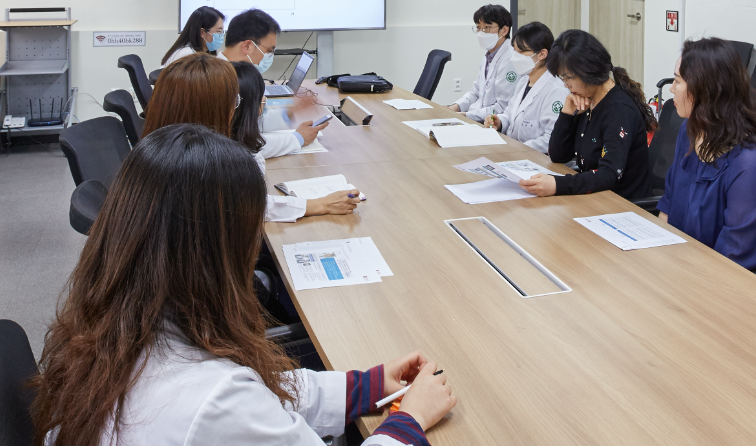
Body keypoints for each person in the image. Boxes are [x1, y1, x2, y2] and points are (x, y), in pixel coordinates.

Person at [31, 124, 456, 446]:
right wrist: (409, 421)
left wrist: (364, 386)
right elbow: (239, 407)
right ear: (214, 251)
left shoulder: (118, 325)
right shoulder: (212, 401)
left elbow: (262, 399)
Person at [144, 54, 357, 220]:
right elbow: (254, 208)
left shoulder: (150, 153)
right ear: (209, 110)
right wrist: (321, 204)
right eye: (234, 101)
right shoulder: (215, 165)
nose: (235, 109)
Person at [656, 37, 756, 271]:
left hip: (734, 282)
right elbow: (668, 208)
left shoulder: (753, 165)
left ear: (705, 91)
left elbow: (735, 262)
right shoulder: (689, 130)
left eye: (677, 81)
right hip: (685, 265)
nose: (672, 88)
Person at [520, 30, 656, 201]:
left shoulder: (619, 110)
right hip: (594, 198)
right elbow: (558, 155)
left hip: (622, 204)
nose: (566, 85)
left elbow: (609, 174)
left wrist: (558, 185)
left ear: (589, 71)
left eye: (569, 78)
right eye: (563, 78)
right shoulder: (587, 102)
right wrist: (567, 113)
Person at [221, 8, 327, 155]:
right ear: (247, 46)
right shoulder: (219, 82)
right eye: (269, 51)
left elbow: (249, 125)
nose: (270, 56)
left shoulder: (236, 75)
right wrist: (297, 139)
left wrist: (288, 113)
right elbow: (241, 146)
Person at [484, 21, 565, 154]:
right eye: (515, 51)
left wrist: (517, 149)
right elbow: (510, 114)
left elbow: (551, 139)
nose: (515, 57)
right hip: (515, 153)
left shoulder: (556, 90)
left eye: (521, 52)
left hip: (538, 159)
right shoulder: (523, 82)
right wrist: (500, 122)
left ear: (542, 54)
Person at [446, 4, 519, 122]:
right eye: (478, 27)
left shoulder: (510, 59)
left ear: (504, 30)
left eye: (487, 27)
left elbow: (503, 107)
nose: (481, 32)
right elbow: (476, 92)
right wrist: (455, 107)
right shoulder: (489, 55)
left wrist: (467, 115)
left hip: (492, 122)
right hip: (477, 116)